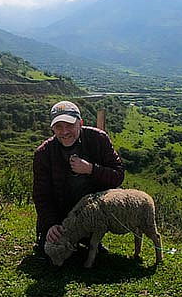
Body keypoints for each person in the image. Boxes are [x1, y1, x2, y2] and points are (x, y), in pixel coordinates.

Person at [32, 100, 124, 254]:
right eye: (58, 127)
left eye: (70, 125)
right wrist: (50, 224)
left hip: (91, 213)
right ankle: (49, 235)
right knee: (50, 251)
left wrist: (91, 169)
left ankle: (90, 236)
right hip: (59, 214)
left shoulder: (99, 139)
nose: (64, 131)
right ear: (52, 128)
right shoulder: (43, 153)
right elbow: (41, 195)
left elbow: (118, 176)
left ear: (80, 123)